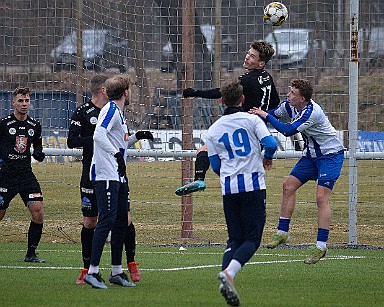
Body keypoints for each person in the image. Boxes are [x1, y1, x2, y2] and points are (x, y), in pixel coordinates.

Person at [68, 75, 152, 285]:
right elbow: (99, 136)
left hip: (117, 175)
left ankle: (116, 271)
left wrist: (137, 136)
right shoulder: (111, 110)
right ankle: (92, 272)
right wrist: (115, 155)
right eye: (130, 90)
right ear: (125, 92)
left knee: (121, 220)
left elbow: (120, 141)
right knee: (105, 220)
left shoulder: (119, 113)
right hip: (105, 174)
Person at [250, 79, 345, 264]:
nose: (288, 95)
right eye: (289, 91)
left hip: (330, 156)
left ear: (302, 98)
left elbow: (287, 130)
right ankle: (282, 233)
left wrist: (265, 117)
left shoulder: (311, 112)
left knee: (320, 198)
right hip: (311, 156)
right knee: (288, 186)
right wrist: (255, 116)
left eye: (292, 93)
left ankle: (321, 246)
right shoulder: (289, 105)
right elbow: (271, 114)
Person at [175, 40, 280, 196]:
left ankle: (200, 178)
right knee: (248, 171)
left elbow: (221, 92)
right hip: (258, 129)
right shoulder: (267, 77)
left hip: (244, 128)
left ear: (261, 63)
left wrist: (194, 92)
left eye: (252, 57)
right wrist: (263, 114)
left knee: (205, 150)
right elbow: (275, 102)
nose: (247, 57)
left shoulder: (248, 80)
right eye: (248, 54)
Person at [205, 80, 277, 306]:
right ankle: (229, 274)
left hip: (229, 188)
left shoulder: (213, 129)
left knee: (235, 238)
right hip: (253, 186)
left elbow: (215, 166)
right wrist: (267, 157)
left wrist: (229, 170)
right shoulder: (252, 120)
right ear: (243, 99)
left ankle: (225, 279)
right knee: (253, 238)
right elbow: (271, 143)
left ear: (222, 101)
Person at [0, 87, 46, 263]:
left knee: (38, 212)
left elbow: (38, 147)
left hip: (26, 175)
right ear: (13, 103)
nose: (24, 104)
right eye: (20, 100)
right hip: (6, 176)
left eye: (26, 101)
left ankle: (31, 254)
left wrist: (39, 154)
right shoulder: (3, 124)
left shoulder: (35, 125)